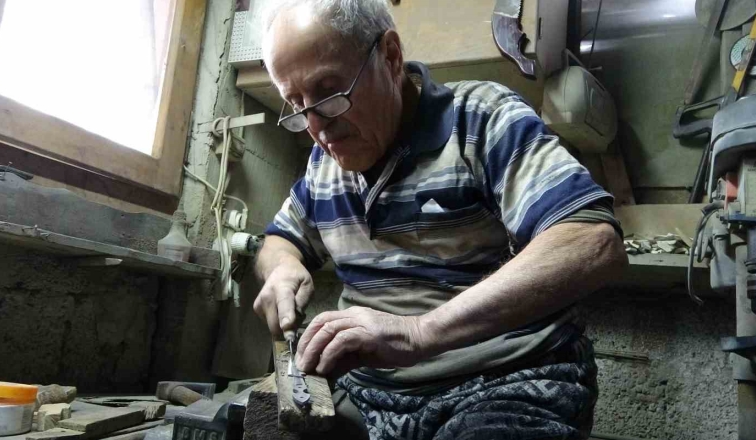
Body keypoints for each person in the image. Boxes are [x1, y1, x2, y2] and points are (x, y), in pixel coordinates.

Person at [252, 1, 627, 438]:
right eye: (297, 105)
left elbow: (591, 240)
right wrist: (282, 268)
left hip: (503, 383)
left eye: (329, 92)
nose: (317, 127)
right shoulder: (324, 163)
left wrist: (417, 333)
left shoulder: (481, 117)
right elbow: (280, 240)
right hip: (370, 393)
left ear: (390, 56)